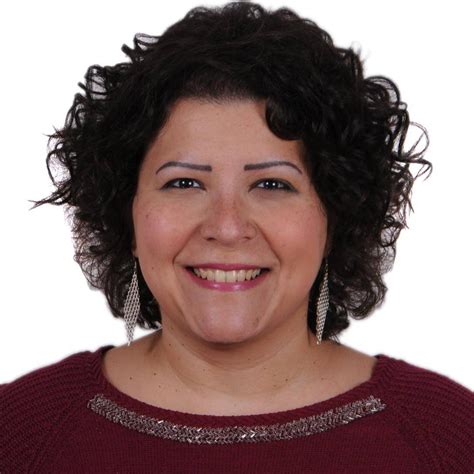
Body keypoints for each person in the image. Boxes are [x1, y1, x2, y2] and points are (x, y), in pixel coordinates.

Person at [1, 2, 473, 472]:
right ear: (126, 215)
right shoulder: (20, 434)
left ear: (337, 218)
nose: (226, 228)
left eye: (272, 185)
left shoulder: (449, 437)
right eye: (184, 183)